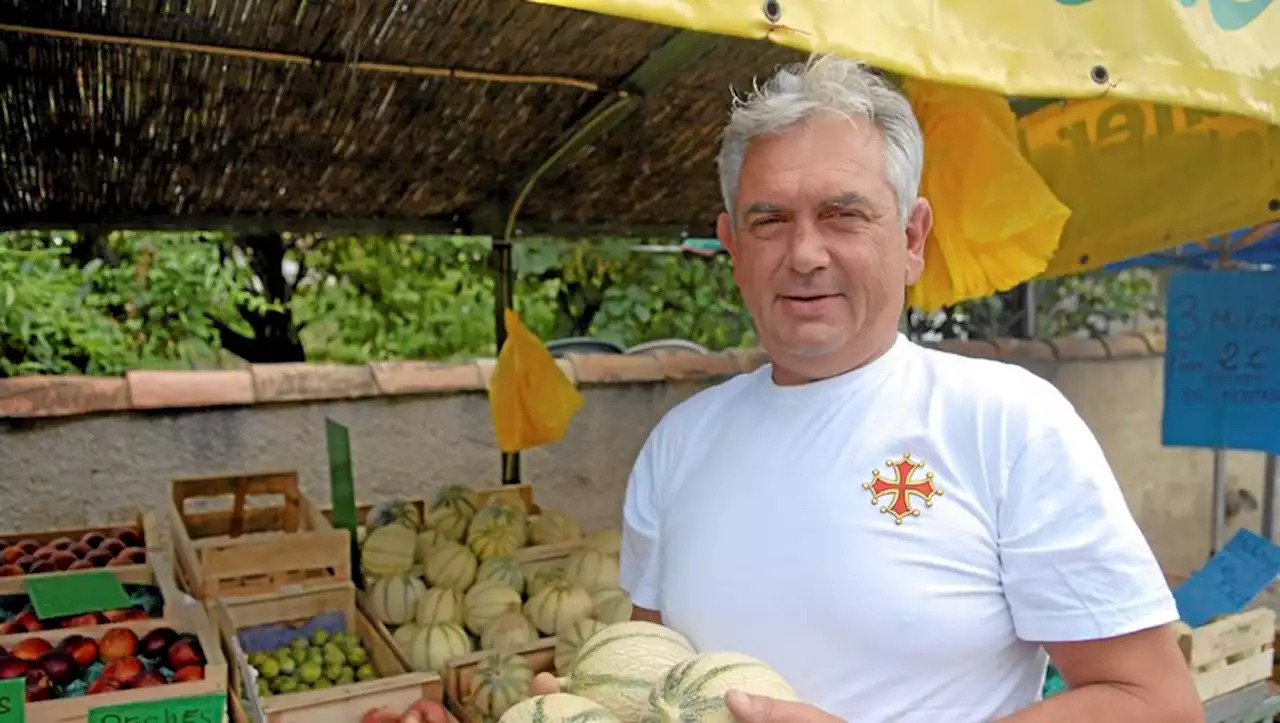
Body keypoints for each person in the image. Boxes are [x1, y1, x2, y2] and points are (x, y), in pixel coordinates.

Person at [615, 55, 1203, 723]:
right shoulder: (678, 445)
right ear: (733, 247)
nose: (805, 253)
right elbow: (645, 686)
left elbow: (1156, 703)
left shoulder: (1007, 423)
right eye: (769, 220)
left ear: (912, 236)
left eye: (843, 214)